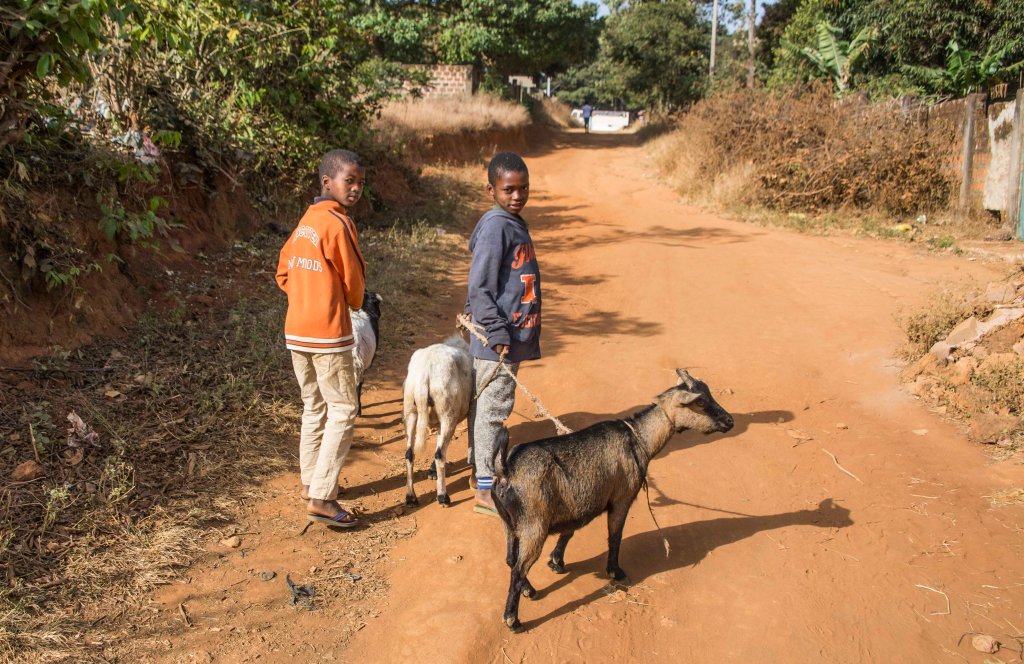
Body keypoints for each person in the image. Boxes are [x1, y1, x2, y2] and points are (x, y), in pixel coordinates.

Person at [275, 149, 367, 528]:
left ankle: (310, 480)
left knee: (314, 407)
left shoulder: (306, 222)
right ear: (327, 182)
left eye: (361, 182)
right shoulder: (337, 223)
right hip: (328, 332)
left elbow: (282, 272)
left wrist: (305, 296)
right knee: (343, 409)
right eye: (350, 181)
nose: (357, 188)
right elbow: (354, 280)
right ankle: (322, 496)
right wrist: (340, 300)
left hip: (296, 330)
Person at [465, 152, 542, 516]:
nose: (517, 196)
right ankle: (485, 489)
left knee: (486, 405)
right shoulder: (496, 227)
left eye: (523, 188)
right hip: (499, 339)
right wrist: (496, 332)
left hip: (508, 335)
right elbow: (479, 286)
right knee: (493, 410)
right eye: (509, 189)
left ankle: (477, 470)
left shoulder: (512, 222)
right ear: (491, 189)